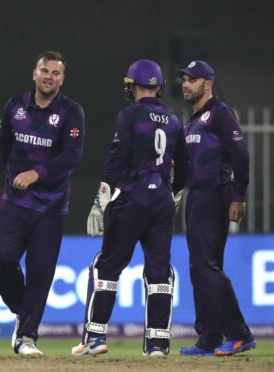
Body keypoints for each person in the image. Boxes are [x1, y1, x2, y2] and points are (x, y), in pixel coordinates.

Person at [71, 59, 187, 357]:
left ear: (133, 86)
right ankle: (158, 345)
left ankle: (95, 338)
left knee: (107, 267)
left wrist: (100, 203)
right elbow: (185, 168)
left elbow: (116, 160)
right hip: (161, 200)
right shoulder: (174, 120)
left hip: (133, 198)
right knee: (160, 272)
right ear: (159, 87)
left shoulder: (129, 116)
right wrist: (171, 194)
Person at [0, 51, 85, 356]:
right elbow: (2, 147)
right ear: (34, 73)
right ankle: (22, 311)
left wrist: (37, 173)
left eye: (56, 73)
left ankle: (26, 337)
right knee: (2, 257)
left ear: (62, 79)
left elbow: (71, 157)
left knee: (41, 272)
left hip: (51, 207)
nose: (49, 76)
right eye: (44, 70)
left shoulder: (71, 112)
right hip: (15, 202)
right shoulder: (16, 105)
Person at [177, 60, 255, 357]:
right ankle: (209, 336)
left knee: (207, 266)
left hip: (215, 194)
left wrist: (239, 196)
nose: (185, 84)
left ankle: (239, 334)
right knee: (199, 268)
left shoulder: (220, 114)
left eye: (191, 80)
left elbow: (241, 154)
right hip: (196, 195)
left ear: (207, 84)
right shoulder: (193, 118)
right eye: (183, 79)